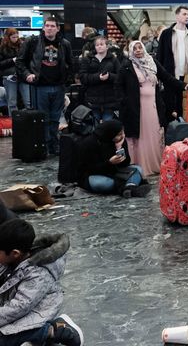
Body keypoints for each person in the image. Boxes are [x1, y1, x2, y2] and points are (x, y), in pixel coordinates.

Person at [0, 218, 83, 346]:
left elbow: (19, 307)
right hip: (11, 308)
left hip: (33, 313)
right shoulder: (9, 259)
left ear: (15, 253)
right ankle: (29, 340)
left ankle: (52, 331)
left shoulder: (38, 274)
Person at [118, 40, 184, 175]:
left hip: (153, 106)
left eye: (140, 47)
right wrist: (124, 103)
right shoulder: (126, 66)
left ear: (143, 48)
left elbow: (167, 77)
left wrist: (184, 86)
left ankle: (156, 164)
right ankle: (139, 166)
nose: (138, 50)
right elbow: (118, 87)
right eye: (134, 48)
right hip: (135, 109)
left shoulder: (152, 63)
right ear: (131, 51)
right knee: (139, 135)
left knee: (155, 134)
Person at [16, 17, 74, 155]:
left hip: (58, 86)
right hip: (39, 86)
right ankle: (45, 145)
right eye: (47, 25)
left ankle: (54, 145)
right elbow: (20, 61)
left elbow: (71, 63)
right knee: (43, 119)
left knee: (55, 119)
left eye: (52, 26)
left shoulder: (64, 44)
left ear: (57, 28)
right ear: (43, 27)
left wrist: (67, 80)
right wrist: (27, 74)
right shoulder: (33, 42)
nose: (49, 28)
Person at [76, 120, 150, 197]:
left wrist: (119, 149)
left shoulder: (120, 141)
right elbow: (91, 168)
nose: (122, 136)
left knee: (138, 169)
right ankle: (130, 186)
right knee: (102, 183)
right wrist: (109, 163)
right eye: (119, 134)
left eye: (123, 133)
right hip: (94, 175)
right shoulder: (90, 143)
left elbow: (126, 164)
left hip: (115, 171)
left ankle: (128, 189)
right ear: (110, 134)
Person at [156, 5, 188, 122]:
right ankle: (170, 135)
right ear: (177, 16)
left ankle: (186, 136)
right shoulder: (166, 34)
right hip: (170, 76)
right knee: (170, 108)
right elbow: (160, 56)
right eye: (184, 14)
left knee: (186, 109)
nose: (187, 17)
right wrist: (158, 75)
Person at [78, 35, 121, 122]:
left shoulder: (113, 59)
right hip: (92, 99)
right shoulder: (87, 59)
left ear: (107, 46)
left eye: (101, 44)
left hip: (110, 99)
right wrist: (98, 77)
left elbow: (120, 77)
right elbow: (83, 77)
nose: (99, 46)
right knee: (94, 125)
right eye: (97, 45)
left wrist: (109, 76)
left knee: (107, 125)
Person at [0, 28, 29, 114]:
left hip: (22, 75)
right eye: (13, 37)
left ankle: (30, 122)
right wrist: (12, 60)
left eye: (17, 37)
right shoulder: (2, 48)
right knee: (12, 102)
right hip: (9, 77)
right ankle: (13, 123)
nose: (16, 39)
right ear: (8, 37)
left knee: (28, 102)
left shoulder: (22, 45)